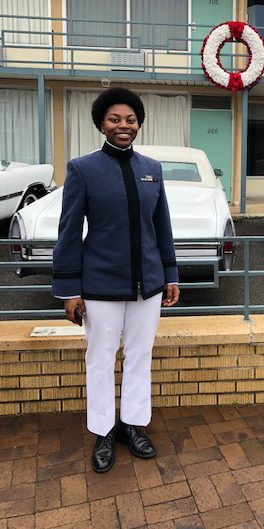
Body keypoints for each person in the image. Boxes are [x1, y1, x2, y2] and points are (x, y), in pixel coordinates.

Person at [52, 87, 180, 473]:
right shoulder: (83, 169)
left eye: (130, 119)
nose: (124, 125)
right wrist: (69, 289)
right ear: (102, 124)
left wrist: (170, 273)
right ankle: (104, 431)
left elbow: (162, 227)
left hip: (148, 286)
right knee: (101, 359)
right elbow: (69, 231)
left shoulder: (152, 169)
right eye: (115, 119)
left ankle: (133, 425)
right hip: (100, 285)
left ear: (138, 124)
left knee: (141, 357)